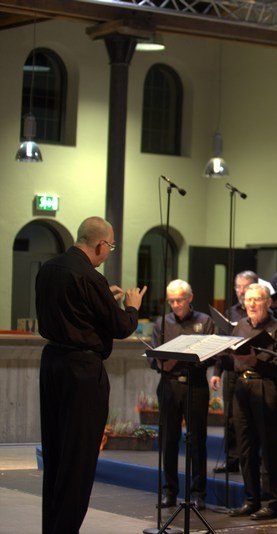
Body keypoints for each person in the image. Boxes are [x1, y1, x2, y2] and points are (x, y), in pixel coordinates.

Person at [36, 216, 146, 534]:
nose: (109, 252)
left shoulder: (49, 269)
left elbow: (71, 311)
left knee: (56, 454)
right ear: (100, 244)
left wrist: (101, 299)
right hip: (81, 373)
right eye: (110, 246)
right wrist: (132, 306)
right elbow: (121, 327)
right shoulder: (90, 276)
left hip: (52, 364)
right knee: (79, 460)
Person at [211, 284, 277, 520]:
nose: (252, 304)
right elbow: (229, 357)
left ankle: (272, 502)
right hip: (241, 387)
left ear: (268, 302)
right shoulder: (240, 326)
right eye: (248, 300)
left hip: (266, 387)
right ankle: (251, 499)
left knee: (269, 447)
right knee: (245, 446)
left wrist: (256, 362)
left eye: (257, 299)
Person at [150, 279, 214, 510]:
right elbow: (154, 358)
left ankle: (198, 494)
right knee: (169, 439)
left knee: (197, 440)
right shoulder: (162, 323)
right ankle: (169, 491)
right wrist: (164, 362)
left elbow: (212, 355)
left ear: (190, 298)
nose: (176, 304)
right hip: (169, 385)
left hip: (195, 385)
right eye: (172, 301)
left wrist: (186, 359)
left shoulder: (204, 321)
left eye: (180, 300)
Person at [218, 269, 259, 474]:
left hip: (253, 372)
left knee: (250, 419)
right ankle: (232, 459)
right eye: (238, 287)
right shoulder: (230, 312)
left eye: (245, 287)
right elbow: (221, 344)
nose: (241, 291)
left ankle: (252, 461)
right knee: (230, 417)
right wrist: (216, 372)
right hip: (231, 369)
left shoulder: (258, 312)